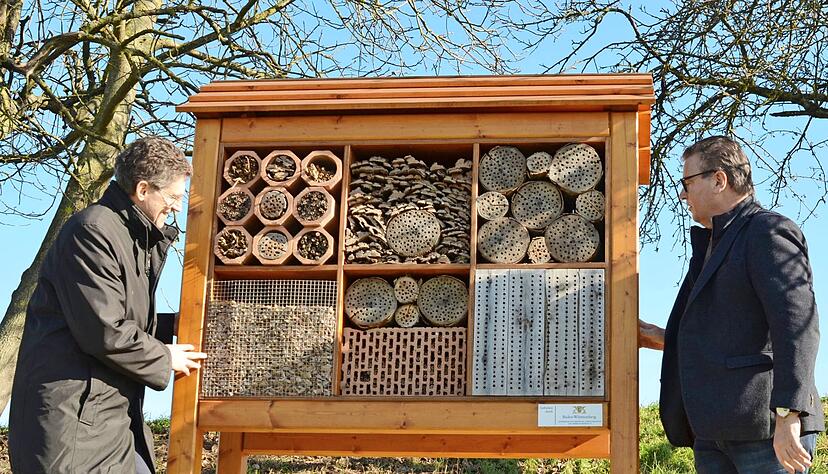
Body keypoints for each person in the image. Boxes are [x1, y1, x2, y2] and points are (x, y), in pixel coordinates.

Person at [9, 137, 207, 473]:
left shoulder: (129, 237)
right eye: (172, 197)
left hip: (106, 424)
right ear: (143, 189)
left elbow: (116, 319)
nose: (176, 207)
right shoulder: (93, 231)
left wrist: (175, 325)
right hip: (72, 430)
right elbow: (103, 330)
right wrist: (164, 356)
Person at [638, 136, 824, 474]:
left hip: (765, 432)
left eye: (687, 182)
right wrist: (661, 336)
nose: (683, 194)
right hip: (712, 433)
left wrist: (787, 416)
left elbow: (797, 327)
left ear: (719, 179)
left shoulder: (768, 232)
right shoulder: (713, 243)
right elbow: (730, 335)